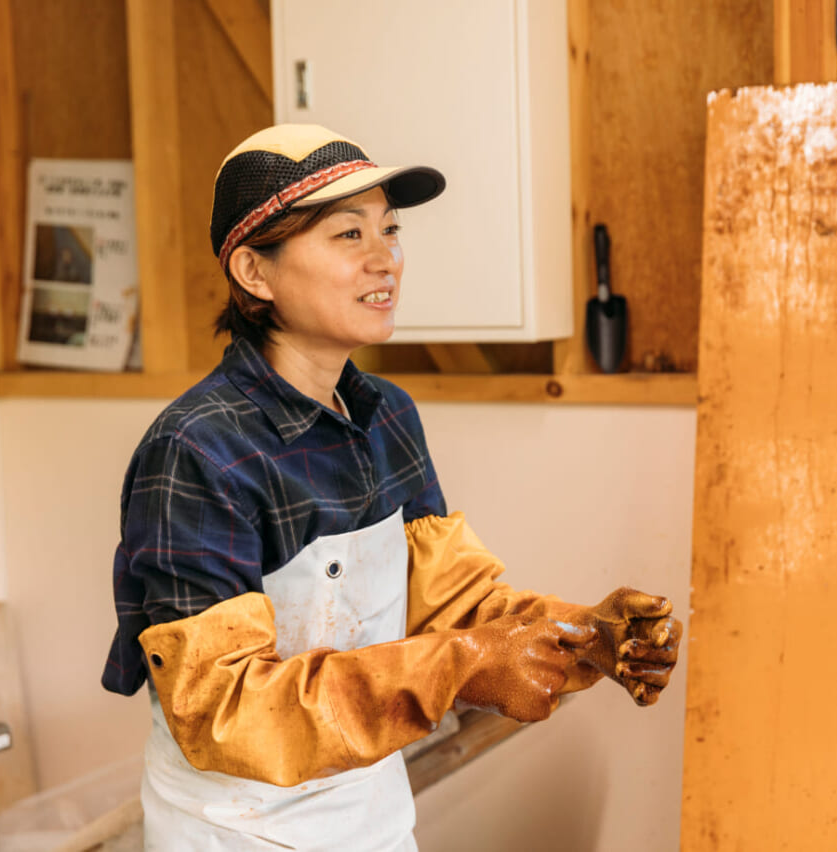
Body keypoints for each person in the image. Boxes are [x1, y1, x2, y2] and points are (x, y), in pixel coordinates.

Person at [101, 123, 682, 851]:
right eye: (348, 236)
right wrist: (462, 665)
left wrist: (582, 634)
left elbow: (455, 605)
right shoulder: (198, 449)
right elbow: (225, 707)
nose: (386, 261)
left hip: (370, 823)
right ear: (254, 272)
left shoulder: (386, 417)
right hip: (233, 834)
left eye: (389, 230)